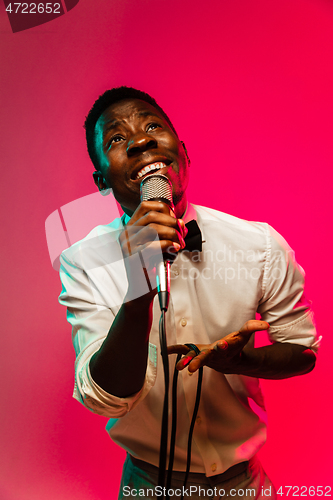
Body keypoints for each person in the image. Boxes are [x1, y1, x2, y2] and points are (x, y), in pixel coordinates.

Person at [59, 87, 319, 499]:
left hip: (245, 486)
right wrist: (138, 287)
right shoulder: (81, 260)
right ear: (102, 181)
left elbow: (304, 354)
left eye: (151, 127)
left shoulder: (260, 244)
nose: (142, 140)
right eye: (117, 139)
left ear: (182, 151)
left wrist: (241, 360)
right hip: (147, 486)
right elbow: (104, 397)